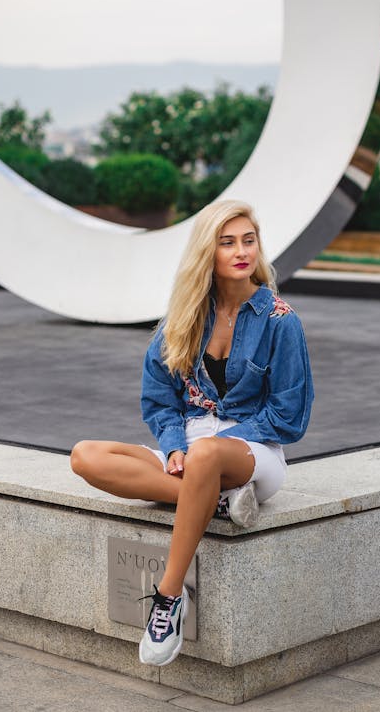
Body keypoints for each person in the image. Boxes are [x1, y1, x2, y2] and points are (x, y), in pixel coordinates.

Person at [70, 199, 314, 667]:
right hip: (195, 444)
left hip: (253, 451)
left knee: (207, 458)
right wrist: (177, 447)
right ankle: (215, 501)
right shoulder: (182, 318)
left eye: (249, 240)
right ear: (209, 253)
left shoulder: (281, 321)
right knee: (86, 455)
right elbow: (160, 401)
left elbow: (289, 415)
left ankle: (168, 598)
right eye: (227, 242)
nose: (241, 251)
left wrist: (210, 447)